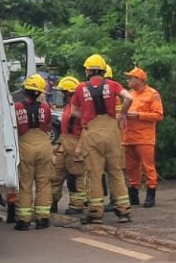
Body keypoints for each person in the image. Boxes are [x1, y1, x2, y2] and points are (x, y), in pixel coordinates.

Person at [68, 54, 133, 224]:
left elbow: (73, 111)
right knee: (116, 172)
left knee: (94, 174)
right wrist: (122, 114)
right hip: (112, 131)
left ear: (88, 71)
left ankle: (96, 213)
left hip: (92, 132)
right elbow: (129, 97)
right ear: (103, 70)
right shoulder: (113, 85)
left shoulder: (80, 88)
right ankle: (124, 211)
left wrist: (86, 117)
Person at [13, 74, 55, 231]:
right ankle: (42, 219)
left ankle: (23, 221)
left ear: (25, 90)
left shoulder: (17, 107)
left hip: (25, 146)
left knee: (25, 184)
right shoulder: (45, 108)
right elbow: (48, 126)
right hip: (43, 145)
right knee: (43, 183)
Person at [122, 67, 165, 207]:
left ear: (139, 80)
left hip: (144, 138)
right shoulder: (129, 95)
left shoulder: (152, 94)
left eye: (130, 78)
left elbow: (158, 115)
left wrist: (139, 115)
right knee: (131, 168)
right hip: (128, 138)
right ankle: (133, 196)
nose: (128, 80)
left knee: (148, 168)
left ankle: (150, 196)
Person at [55, 75, 86, 215]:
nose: (61, 95)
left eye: (63, 92)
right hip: (64, 143)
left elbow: (86, 129)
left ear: (69, 93)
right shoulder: (69, 106)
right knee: (56, 174)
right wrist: (59, 144)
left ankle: (77, 205)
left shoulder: (81, 108)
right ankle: (52, 202)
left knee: (75, 176)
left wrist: (80, 147)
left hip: (76, 142)